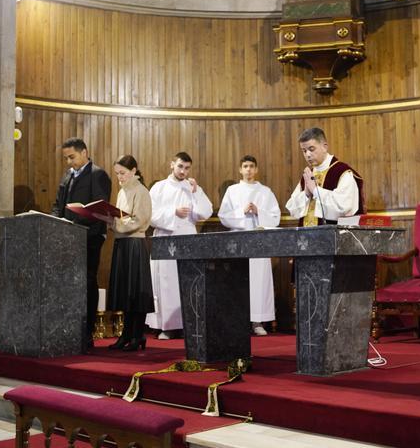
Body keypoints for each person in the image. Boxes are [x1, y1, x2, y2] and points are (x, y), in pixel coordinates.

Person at [49, 137, 112, 348]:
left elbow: (100, 208)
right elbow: (59, 204)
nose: (69, 162)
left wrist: (73, 220)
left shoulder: (98, 174)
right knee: (69, 283)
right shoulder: (68, 175)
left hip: (90, 236)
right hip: (67, 237)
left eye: (72, 157)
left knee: (87, 282)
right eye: (66, 158)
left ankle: (86, 333)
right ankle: (69, 329)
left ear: (84, 152)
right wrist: (56, 220)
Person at [145, 152, 213, 339]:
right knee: (167, 283)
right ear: (172, 164)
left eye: (187, 168)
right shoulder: (159, 187)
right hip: (166, 237)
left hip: (187, 237)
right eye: (180, 166)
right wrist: (173, 212)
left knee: (187, 281)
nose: (183, 171)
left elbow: (206, 212)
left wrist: (196, 193)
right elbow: (149, 214)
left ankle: (187, 324)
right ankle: (166, 326)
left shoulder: (191, 187)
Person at [218, 155, 281, 336]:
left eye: (252, 166)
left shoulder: (265, 192)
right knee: (238, 280)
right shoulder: (232, 190)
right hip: (238, 242)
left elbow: (275, 217)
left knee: (258, 281)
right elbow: (224, 216)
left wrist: (258, 211)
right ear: (240, 169)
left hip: (259, 242)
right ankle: (237, 319)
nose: (248, 170)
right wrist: (241, 212)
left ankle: (257, 321)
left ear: (256, 169)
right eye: (245, 166)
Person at [103, 155, 154, 352]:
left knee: (136, 291)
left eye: (122, 173)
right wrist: (108, 219)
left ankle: (137, 335)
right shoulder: (122, 192)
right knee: (125, 290)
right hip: (122, 243)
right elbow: (121, 218)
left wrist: (115, 225)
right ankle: (126, 334)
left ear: (133, 171)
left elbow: (139, 221)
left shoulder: (141, 191)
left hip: (135, 244)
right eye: (117, 174)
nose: (120, 178)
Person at [285, 127, 364, 226]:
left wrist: (315, 190)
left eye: (311, 149)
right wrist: (306, 194)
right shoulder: (308, 175)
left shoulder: (342, 172)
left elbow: (344, 207)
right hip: (304, 238)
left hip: (333, 238)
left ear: (324, 147)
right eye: (304, 151)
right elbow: (292, 208)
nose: (307, 155)